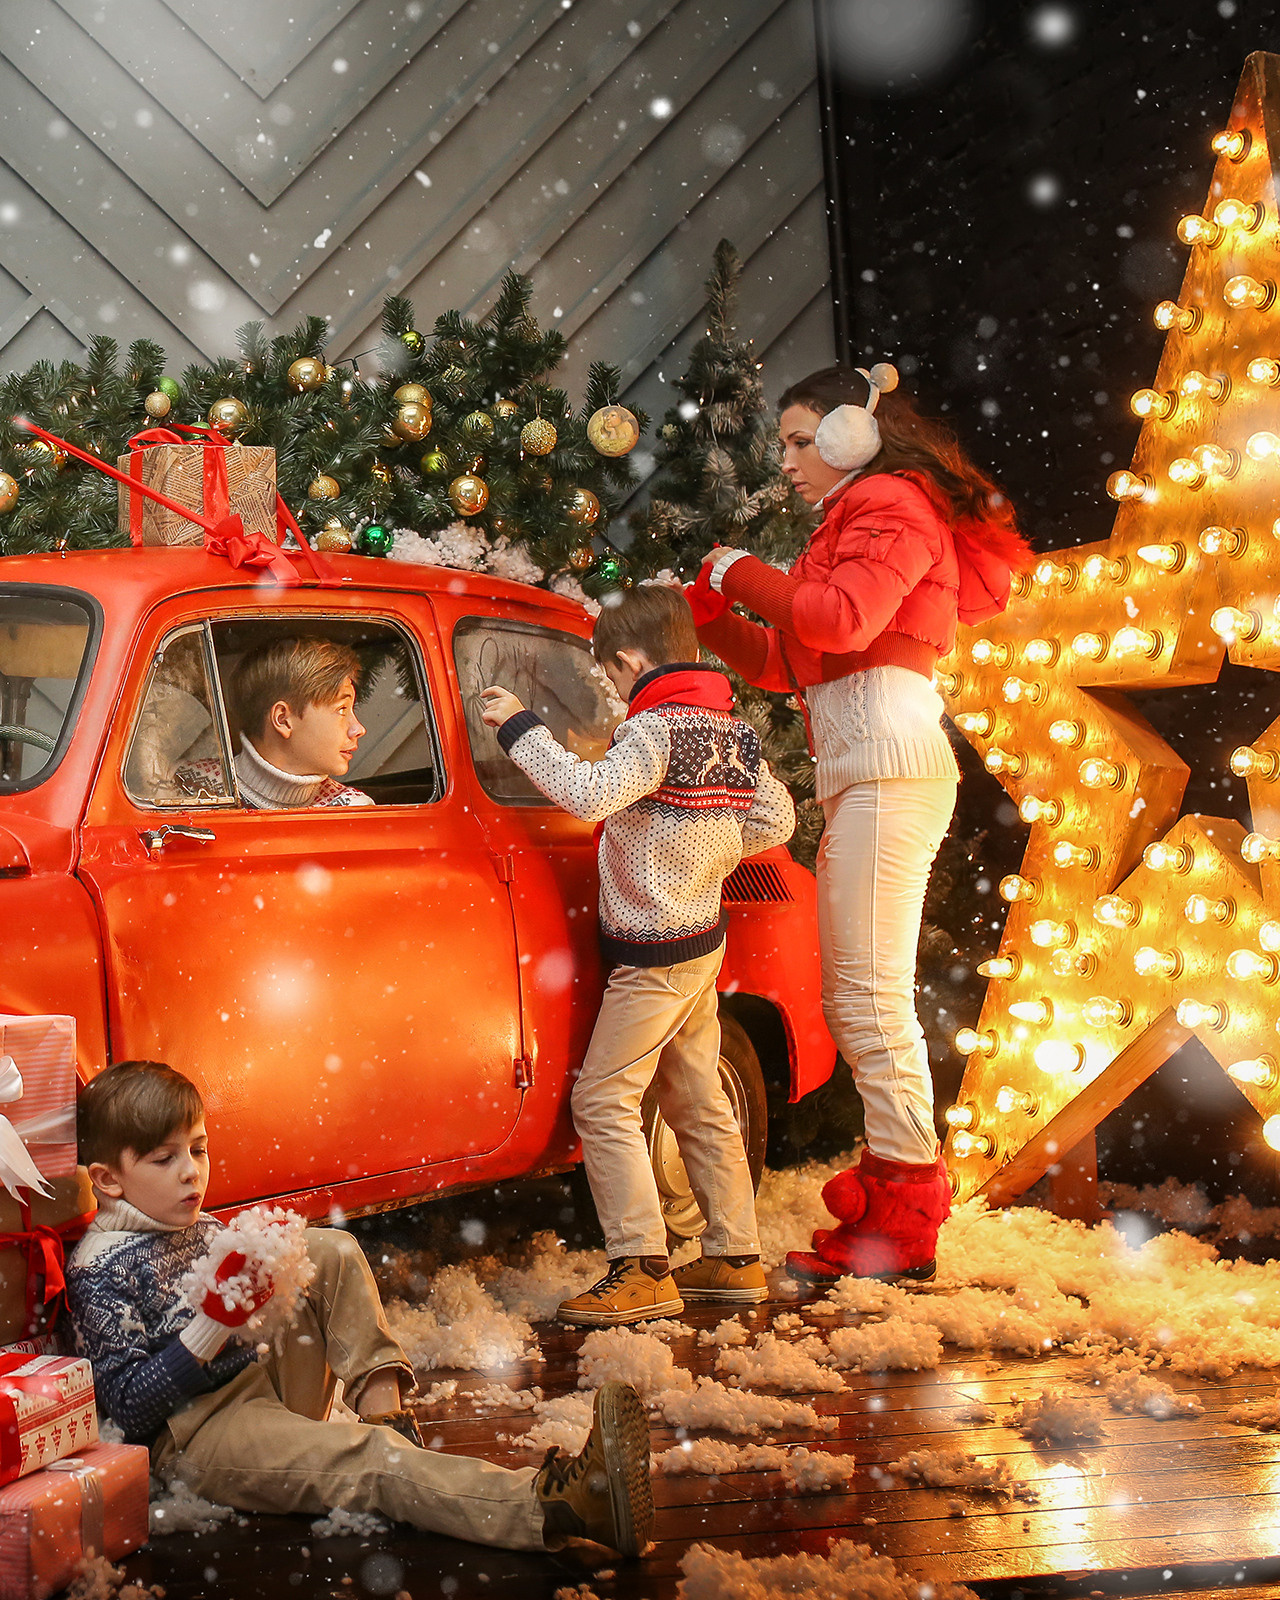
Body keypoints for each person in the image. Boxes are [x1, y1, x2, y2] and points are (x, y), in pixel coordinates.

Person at [684, 364, 1030, 1283]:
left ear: (851, 432)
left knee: (869, 1003)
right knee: (856, 1001)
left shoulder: (892, 505)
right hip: (864, 778)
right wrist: (715, 615)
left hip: (889, 773)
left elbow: (839, 620)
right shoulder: (856, 519)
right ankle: (893, 1192)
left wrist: (736, 569)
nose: (788, 461)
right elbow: (789, 660)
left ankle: (907, 1214)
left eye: (802, 440)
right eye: (786, 443)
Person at [67, 1061, 653, 1560]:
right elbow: (126, 1407)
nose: (192, 1172)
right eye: (164, 1160)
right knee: (371, 1464)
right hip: (197, 1436)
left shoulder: (190, 1221)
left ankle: (386, 1417)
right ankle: (559, 1509)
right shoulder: (99, 1270)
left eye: (197, 1149)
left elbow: (266, 1302)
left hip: (257, 1376)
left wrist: (269, 1266)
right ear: (108, 1181)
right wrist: (212, 1325)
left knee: (328, 1249)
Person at [478, 586, 795, 1324]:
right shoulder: (733, 733)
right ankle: (735, 1254)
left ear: (628, 662)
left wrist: (519, 727)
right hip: (701, 945)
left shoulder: (653, 733)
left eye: (611, 679)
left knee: (603, 1098)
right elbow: (775, 818)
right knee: (695, 1093)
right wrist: (707, 855)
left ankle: (641, 1264)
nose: (616, 694)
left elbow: (590, 796)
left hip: (655, 952)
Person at [174, 635, 373, 807]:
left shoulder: (350, 810)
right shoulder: (185, 783)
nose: (358, 728)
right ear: (283, 719)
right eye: (341, 710)